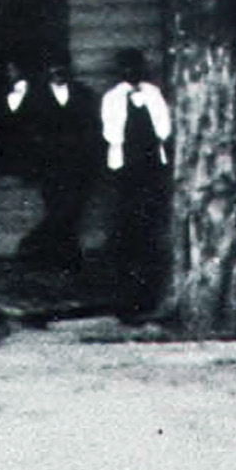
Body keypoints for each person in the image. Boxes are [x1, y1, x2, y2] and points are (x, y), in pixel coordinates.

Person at [100, 47, 173, 322]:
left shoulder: (154, 95)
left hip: (152, 167)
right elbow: (111, 132)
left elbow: (164, 129)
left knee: (151, 229)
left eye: (136, 68)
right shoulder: (112, 98)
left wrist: (147, 110)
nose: (131, 74)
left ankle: (150, 294)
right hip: (126, 169)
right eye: (126, 69)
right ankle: (127, 298)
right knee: (127, 229)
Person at [14, 52, 102, 273]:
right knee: (57, 206)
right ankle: (64, 257)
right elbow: (23, 128)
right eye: (53, 69)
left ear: (69, 70)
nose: (58, 73)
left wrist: (88, 155)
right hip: (49, 164)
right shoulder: (35, 96)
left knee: (72, 209)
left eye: (62, 69)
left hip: (78, 163)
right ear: (47, 71)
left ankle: (36, 244)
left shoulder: (83, 94)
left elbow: (93, 128)